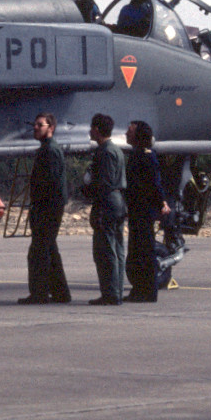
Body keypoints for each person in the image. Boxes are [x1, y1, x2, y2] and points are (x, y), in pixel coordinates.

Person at [18, 113, 70, 304]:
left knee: (38, 252)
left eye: (40, 125)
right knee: (50, 250)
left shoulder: (50, 151)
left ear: (51, 128)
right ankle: (61, 293)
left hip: (48, 208)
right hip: (46, 207)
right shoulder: (46, 149)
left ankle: (39, 293)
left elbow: (53, 182)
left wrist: (43, 208)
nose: (36, 128)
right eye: (35, 124)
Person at [124, 121, 172, 302]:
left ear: (138, 135)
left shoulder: (146, 155)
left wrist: (162, 203)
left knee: (145, 251)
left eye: (130, 131)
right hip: (137, 210)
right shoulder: (136, 154)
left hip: (144, 211)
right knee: (136, 251)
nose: (127, 134)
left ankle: (149, 292)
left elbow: (155, 183)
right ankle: (139, 289)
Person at [84, 113, 126, 306]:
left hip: (107, 202)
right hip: (117, 201)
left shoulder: (104, 152)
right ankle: (114, 291)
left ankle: (111, 293)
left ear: (98, 130)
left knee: (105, 250)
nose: (90, 131)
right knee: (117, 248)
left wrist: (88, 188)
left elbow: (105, 182)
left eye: (92, 127)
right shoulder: (116, 150)